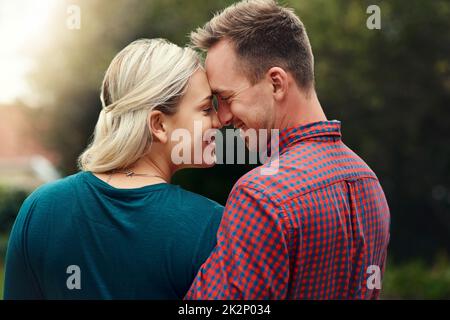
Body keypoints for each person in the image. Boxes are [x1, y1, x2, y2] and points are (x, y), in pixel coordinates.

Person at [185, 0, 390, 299]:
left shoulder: (262, 194)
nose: (224, 117)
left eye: (226, 97)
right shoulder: (369, 184)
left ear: (277, 84)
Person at [4, 38, 223, 299]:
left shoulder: (41, 208)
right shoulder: (210, 225)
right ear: (158, 125)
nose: (219, 121)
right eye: (206, 109)